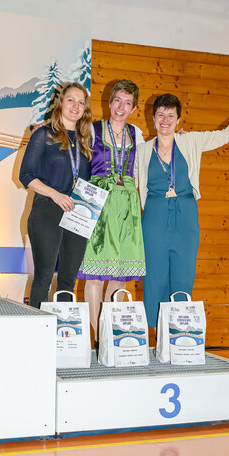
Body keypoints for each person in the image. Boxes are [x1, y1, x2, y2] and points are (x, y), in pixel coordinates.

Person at [135, 91, 229, 327]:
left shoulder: (191, 141)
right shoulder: (142, 150)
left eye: (171, 115)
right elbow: (130, 183)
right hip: (154, 218)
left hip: (186, 215)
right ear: (153, 118)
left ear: (178, 120)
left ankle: (178, 333)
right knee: (154, 277)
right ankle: (155, 335)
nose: (165, 120)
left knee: (183, 275)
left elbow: (227, 135)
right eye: (160, 115)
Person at [77, 79, 145, 336]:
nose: (120, 107)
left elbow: (152, 156)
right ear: (110, 101)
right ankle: (97, 336)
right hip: (99, 202)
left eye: (127, 103)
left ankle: (110, 334)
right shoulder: (93, 130)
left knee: (119, 275)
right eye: (117, 100)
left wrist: (177, 138)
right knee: (94, 275)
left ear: (134, 108)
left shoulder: (137, 134)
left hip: (126, 205)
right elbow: (73, 151)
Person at [19, 82, 93, 309]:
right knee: (44, 276)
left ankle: (65, 328)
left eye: (81, 102)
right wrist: (55, 195)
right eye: (71, 100)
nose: (76, 106)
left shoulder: (85, 140)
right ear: (60, 103)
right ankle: (38, 328)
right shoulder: (43, 134)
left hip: (76, 213)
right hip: (47, 209)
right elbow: (26, 176)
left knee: (68, 281)